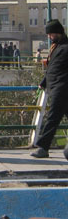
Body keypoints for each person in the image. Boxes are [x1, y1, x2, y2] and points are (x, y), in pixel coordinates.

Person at [31, 20, 68, 160]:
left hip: (62, 88)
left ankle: (43, 147)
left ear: (58, 33)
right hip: (56, 87)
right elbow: (52, 68)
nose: (49, 37)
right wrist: (44, 82)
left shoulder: (65, 48)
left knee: (53, 117)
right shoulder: (57, 47)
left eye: (51, 34)